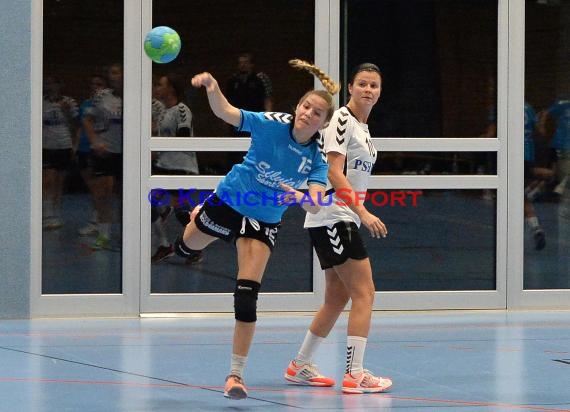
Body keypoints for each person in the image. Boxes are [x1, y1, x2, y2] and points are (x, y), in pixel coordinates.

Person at [174, 59, 339, 400]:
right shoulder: (271, 124)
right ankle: (199, 213)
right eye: (306, 106)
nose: (309, 113)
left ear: (324, 122)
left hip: (263, 220)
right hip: (231, 201)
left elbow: (315, 203)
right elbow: (227, 113)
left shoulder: (317, 158)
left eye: (318, 113)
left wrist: (301, 196)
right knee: (188, 246)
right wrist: (211, 86)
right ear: (298, 107)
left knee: (246, 298)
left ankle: (235, 376)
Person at [284, 63, 393, 394]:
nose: (368, 90)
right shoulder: (342, 120)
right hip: (335, 214)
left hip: (341, 217)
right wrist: (361, 210)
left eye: (374, 85)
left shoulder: (363, 127)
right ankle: (355, 373)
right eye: (362, 84)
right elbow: (333, 171)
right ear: (350, 87)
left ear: (379, 91)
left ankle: (300, 364)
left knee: (337, 296)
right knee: (365, 292)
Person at [150, 73, 200, 264]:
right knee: (149, 202)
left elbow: (183, 136)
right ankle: (164, 245)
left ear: (171, 88)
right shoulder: (163, 112)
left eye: (160, 85)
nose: (157, 89)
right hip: (164, 165)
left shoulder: (181, 109)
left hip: (182, 166)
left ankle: (196, 245)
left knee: (180, 208)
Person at [82, 63, 123, 250]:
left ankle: (128, 233)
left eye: (117, 72)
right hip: (105, 152)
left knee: (126, 196)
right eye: (111, 73)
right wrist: (95, 141)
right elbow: (87, 120)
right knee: (103, 193)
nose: (114, 76)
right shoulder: (101, 96)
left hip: (128, 155)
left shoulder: (137, 95)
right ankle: (103, 233)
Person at [223, 53, 274, 170]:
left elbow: (268, 99)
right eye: (240, 63)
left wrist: (268, 120)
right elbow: (227, 102)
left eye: (245, 63)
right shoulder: (232, 81)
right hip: (236, 121)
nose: (242, 66)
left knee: (255, 150)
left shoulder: (261, 79)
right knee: (234, 153)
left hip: (256, 121)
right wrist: (225, 122)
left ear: (251, 64)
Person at [42, 75, 80, 230]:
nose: (50, 86)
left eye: (53, 83)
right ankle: (46, 215)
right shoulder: (41, 101)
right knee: (47, 181)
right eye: (47, 83)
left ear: (60, 85)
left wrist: (75, 146)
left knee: (59, 181)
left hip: (64, 145)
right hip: (47, 146)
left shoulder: (69, 102)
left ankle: (55, 214)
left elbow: (77, 125)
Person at [75, 74, 108, 237]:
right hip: (83, 149)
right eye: (92, 83)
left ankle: (97, 222)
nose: (95, 86)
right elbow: (81, 126)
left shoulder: (106, 105)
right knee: (91, 188)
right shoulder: (85, 104)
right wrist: (75, 146)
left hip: (98, 151)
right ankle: (96, 219)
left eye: (99, 83)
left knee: (99, 189)